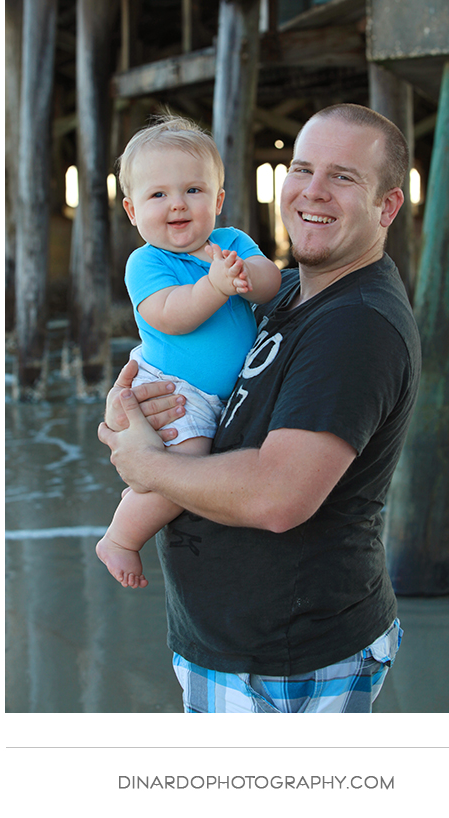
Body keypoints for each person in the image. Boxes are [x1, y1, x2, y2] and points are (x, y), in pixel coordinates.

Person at [98, 103, 422, 713]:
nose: (311, 191)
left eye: (344, 176)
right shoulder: (300, 292)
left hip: (288, 659)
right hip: (237, 646)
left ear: (387, 207)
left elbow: (279, 496)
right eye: (301, 169)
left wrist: (144, 467)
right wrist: (131, 414)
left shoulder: (356, 326)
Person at [96, 115, 282, 588]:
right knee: (188, 464)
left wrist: (245, 275)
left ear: (217, 200)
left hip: (217, 396)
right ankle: (120, 537)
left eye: (193, 191)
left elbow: (271, 283)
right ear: (132, 210)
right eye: (158, 195)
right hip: (174, 387)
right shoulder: (147, 261)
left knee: (188, 464)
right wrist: (217, 285)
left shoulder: (230, 242)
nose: (177, 204)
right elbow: (171, 314)